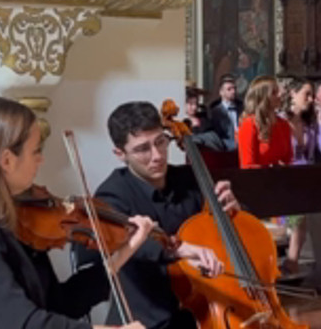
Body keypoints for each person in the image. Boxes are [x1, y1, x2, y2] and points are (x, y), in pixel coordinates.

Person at [0, 97, 154, 329]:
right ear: (6, 160)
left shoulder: (19, 219)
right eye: (35, 151)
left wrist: (123, 253)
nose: (41, 160)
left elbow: (58, 305)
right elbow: (21, 323)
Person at [76, 101, 238, 329]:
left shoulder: (190, 180)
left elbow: (230, 231)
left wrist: (234, 211)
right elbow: (122, 238)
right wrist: (178, 249)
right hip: (146, 321)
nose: (157, 156)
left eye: (161, 142)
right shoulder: (112, 193)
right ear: (120, 154)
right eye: (143, 149)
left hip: (199, 315)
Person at [278, 78, 321, 274]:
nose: (310, 98)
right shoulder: (281, 120)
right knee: (297, 213)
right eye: (306, 94)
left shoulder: (309, 122)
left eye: (311, 94)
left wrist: (320, 119)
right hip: (287, 176)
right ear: (292, 93)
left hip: (307, 175)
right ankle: (292, 259)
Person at [237, 76, 294, 168]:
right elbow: (247, 165)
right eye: (274, 93)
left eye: (278, 91)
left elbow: (288, 159)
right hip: (259, 179)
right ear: (263, 98)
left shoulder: (283, 124)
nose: (280, 95)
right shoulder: (249, 124)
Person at [205, 75, 243, 151]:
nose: (233, 91)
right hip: (225, 150)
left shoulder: (242, 108)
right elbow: (216, 135)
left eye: (234, 88)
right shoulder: (215, 112)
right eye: (229, 89)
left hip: (243, 147)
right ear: (221, 92)